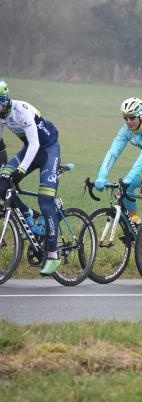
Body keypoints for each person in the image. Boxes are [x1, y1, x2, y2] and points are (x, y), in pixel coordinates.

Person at [0, 80, 63, 275]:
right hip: (29, 150)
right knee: (1, 185)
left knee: (45, 201)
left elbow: (35, 144)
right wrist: (5, 170)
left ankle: (53, 255)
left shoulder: (22, 110)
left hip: (47, 150)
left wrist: (20, 171)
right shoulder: (1, 116)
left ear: (4, 99)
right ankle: (27, 213)